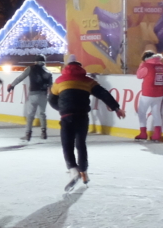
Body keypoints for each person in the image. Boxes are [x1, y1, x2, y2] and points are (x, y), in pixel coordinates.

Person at [48, 60, 126, 190]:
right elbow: (103, 94)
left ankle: (73, 171)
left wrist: (62, 109)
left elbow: (51, 100)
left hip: (66, 116)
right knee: (80, 144)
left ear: (66, 68)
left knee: (67, 144)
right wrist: (116, 108)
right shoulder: (87, 81)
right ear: (81, 68)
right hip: (82, 116)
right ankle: (83, 172)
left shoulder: (60, 80)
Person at [7, 55, 53, 141]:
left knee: (30, 115)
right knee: (42, 114)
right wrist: (50, 97)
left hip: (33, 94)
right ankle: (44, 133)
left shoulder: (30, 68)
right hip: (43, 95)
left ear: (35, 61)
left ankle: (28, 134)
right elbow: (50, 87)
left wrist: (12, 85)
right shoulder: (49, 72)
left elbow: (20, 77)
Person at [135, 50, 163, 142]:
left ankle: (143, 133)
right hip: (159, 93)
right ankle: (157, 134)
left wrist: (141, 65)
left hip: (148, 93)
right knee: (156, 113)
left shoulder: (146, 65)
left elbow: (139, 75)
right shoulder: (162, 65)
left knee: (142, 113)